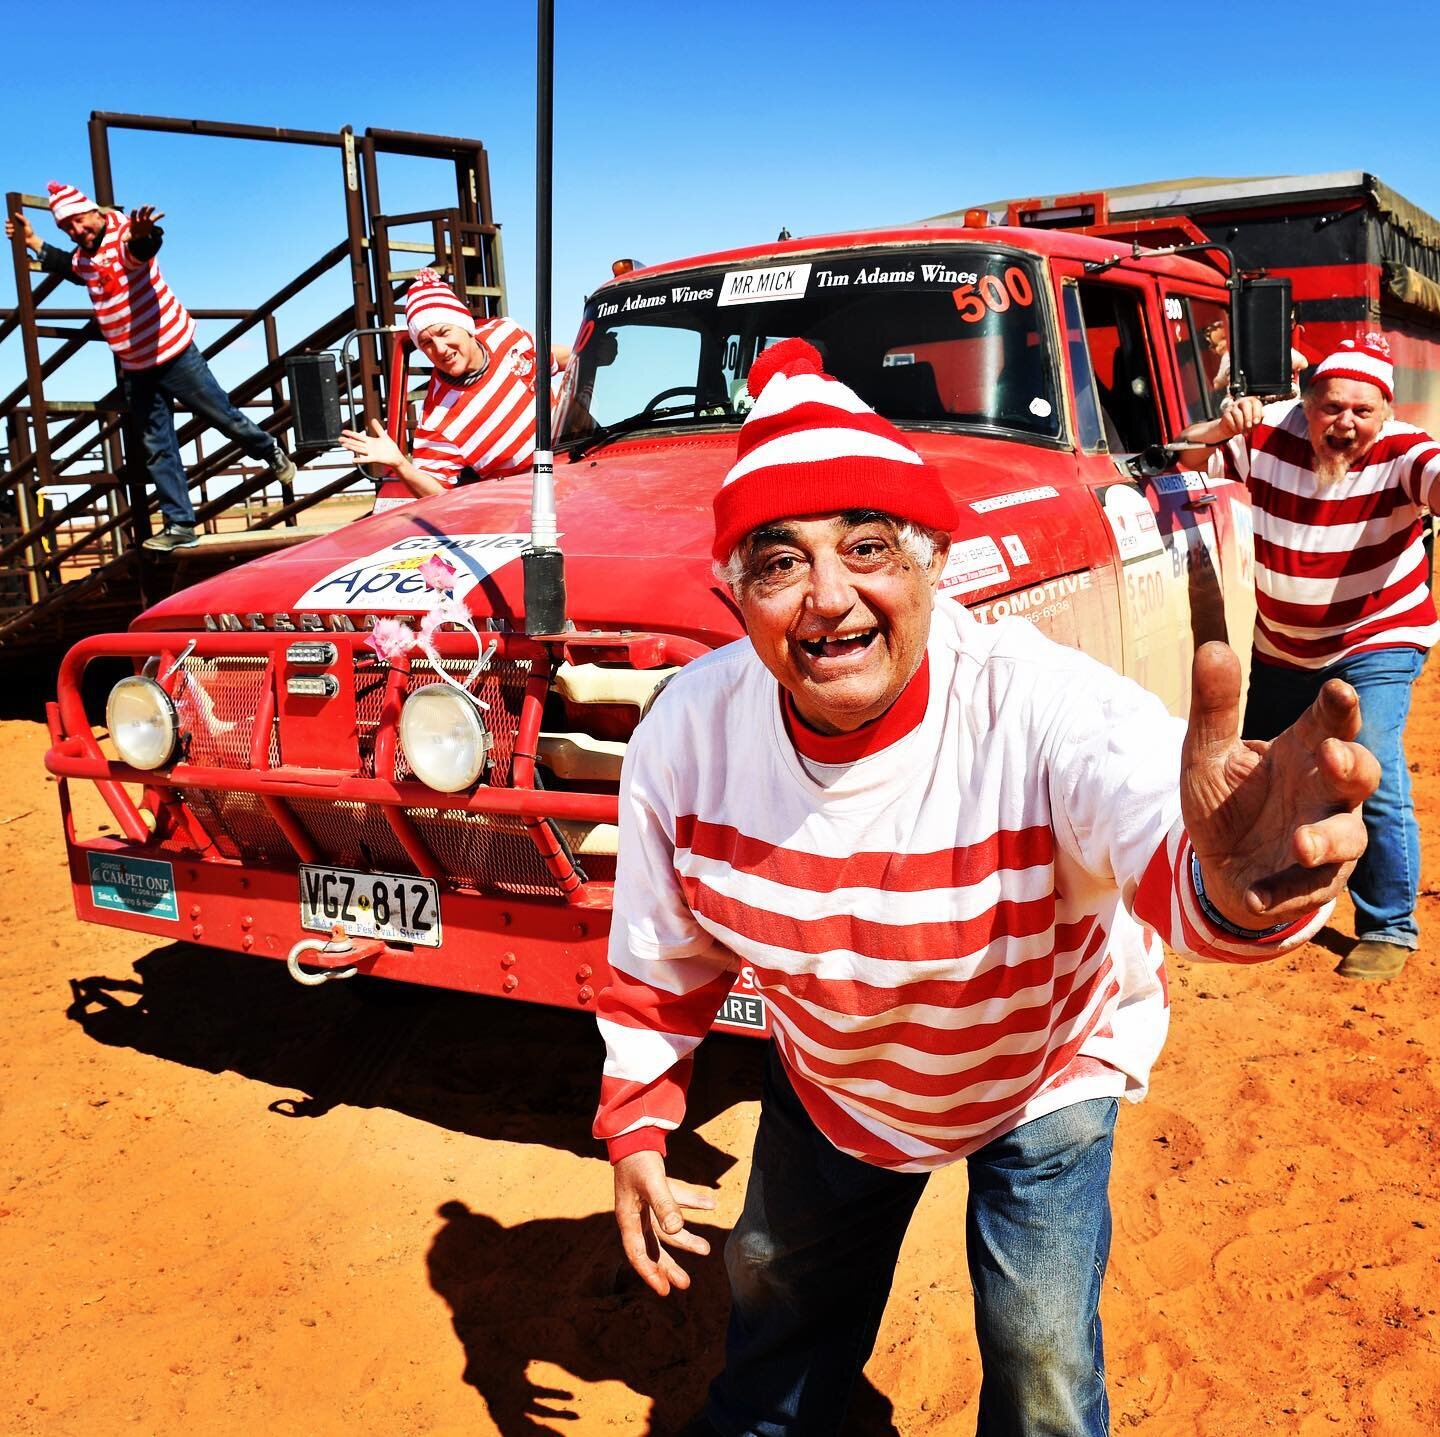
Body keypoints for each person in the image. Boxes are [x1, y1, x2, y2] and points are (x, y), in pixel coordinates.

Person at [592, 337, 1377, 1436]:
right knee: (773, 1314)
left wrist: (1233, 883)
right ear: (735, 595)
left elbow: (1155, 814)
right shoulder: (688, 734)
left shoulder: (1038, 704)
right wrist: (637, 1123)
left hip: (1041, 1063)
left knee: (1041, 1362)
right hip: (837, 1079)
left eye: (866, 545)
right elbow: (658, 953)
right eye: (777, 562)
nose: (827, 598)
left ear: (929, 564)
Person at [1179, 333, 1436, 982]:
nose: (1344, 424)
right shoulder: (1263, 434)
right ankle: (1268, 899)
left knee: (1365, 759)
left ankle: (1388, 924)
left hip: (1378, 631)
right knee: (1261, 768)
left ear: (1385, 411)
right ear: (1306, 402)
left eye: (1362, 411)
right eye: (1330, 407)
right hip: (1283, 645)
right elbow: (1174, 460)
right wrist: (1214, 429)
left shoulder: (1405, 449)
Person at [6, 182, 296, 552]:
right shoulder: (85, 256)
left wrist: (147, 235)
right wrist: (32, 240)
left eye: (80, 222)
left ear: (95, 213)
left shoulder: (125, 236)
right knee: (157, 445)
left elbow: (141, 250)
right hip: (136, 366)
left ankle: (267, 448)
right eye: (68, 229)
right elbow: (71, 268)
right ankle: (180, 524)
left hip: (173, 353)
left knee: (222, 416)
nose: (78, 232)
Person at [338, 268, 556, 498]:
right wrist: (400, 464)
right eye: (426, 343)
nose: (440, 349)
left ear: (466, 326)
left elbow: (555, 359)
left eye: (444, 332)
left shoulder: (506, 333)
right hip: (530, 498)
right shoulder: (436, 420)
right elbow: (436, 496)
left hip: (587, 457)